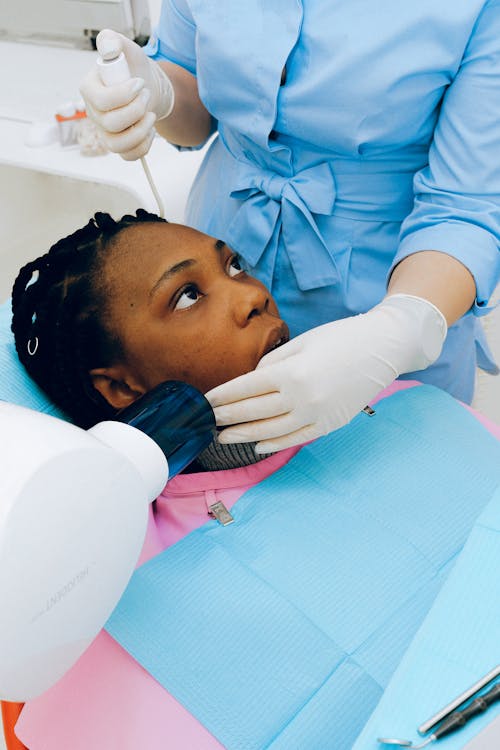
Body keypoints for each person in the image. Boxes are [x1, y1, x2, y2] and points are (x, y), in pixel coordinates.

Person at [7, 211, 500, 750]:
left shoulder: (406, 409)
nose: (252, 296)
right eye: (187, 296)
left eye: (235, 265)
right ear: (121, 387)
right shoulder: (121, 591)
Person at [79, 3, 500, 454]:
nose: (254, 297)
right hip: (224, 228)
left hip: (397, 289)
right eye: (186, 296)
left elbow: (466, 204)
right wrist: (158, 89)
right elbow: (193, 102)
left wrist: (396, 332)